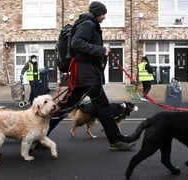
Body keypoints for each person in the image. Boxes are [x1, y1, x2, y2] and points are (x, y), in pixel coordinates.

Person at [47, 1, 135, 151]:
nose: (104, 17)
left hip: (82, 76)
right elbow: (77, 43)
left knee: (64, 107)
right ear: (97, 14)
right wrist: (101, 50)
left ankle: (39, 136)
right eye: (103, 14)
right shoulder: (88, 24)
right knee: (104, 108)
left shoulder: (87, 23)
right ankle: (115, 140)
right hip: (88, 76)